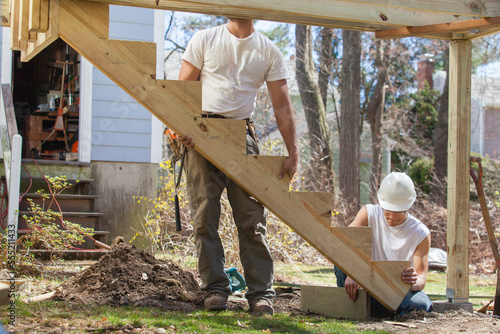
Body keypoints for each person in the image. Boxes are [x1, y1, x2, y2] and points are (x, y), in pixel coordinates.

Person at [177, 18, 298, 315]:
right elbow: (180, 92)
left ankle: (260, 295)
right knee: (205, 218)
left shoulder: (268, 50)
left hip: (242, 135)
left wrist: (294, 151)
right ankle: (216, 289)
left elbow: (283, 107)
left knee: (252, 220)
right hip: (201, 134)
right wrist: (179, 129)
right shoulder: (204, 39)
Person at [334, 172, 433, 317]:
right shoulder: (369, 214)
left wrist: (411, 281)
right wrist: (352, 272)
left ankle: (368, 306)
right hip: (363, 280)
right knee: (340, 265)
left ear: (408, 206)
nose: (392, 217)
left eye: (397, 212)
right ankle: (381, 308)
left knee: (422, 304)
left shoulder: (421, 233)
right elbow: (343, 242)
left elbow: (421, 278)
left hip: (394, 288)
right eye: (388, 210)